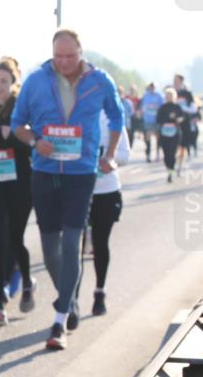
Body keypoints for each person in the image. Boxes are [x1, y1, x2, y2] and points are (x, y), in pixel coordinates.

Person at [10, 29, 123, 350]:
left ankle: (59, 320)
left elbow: (118, 117)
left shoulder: (100, 81)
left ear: (81, 53)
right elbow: (19, 124)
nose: (63, 62)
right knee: (49, 250)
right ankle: (69, 298)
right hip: (44, 172)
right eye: (58, 56)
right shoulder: (35, 81)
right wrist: (35, 141)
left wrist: (111, 155)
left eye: (70, 56)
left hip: (81, 172)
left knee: (72, 242)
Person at [0, 57, 35, 328]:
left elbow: (33, 143)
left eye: (4, 81)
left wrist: (12, 135)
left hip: (20, 181)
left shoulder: (22, 107)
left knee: (14, 238)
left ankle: (26, 281)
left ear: (14, 82)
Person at [84, 112, 130, 316]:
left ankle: (99, 292)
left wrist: (109, 159)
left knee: (100, 243)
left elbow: (125, 155)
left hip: (107, 191)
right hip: (79, 191)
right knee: (75, 248)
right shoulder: (76, 113)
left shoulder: (113, 119)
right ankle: (71, 303)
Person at [156, 88, 184, 183]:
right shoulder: (162, 107)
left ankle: (170, 173)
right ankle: (169, 168)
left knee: (172, 153)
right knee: (166, 154)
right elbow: (158, 119)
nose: (169, 97)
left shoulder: (177, 107)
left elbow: (182, 117)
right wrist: (166, 120)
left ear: (174, 97)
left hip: (174, 133)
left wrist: (177, 119)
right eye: (167, 96)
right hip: (164, 133)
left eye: (170, 95)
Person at [139, 82, 163, 162]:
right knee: (148, 138)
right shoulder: (146, 96)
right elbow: (142, 107)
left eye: (154, 87)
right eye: (151, 87)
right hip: (148, 120)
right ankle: (148, 155)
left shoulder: (159, 96)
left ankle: (157, 154)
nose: (152, 88)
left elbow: (162, 107)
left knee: (157, 138)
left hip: (157, 120)